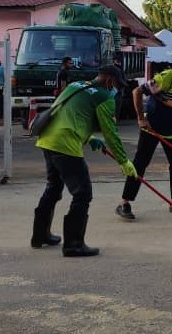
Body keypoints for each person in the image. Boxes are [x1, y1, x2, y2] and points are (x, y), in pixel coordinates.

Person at [31, 65, 137, 257]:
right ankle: (73, 245)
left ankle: (40, 236)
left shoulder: (75, 86)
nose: (116, 91)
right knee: (82, 194)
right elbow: (110, 132)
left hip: (47, 139)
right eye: (117, 86)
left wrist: (89, 138)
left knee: (53, 187)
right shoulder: (105, 97)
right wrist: (123, 161)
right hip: (66, 144)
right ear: (109, 81)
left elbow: (67, 113)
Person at [116, 53, 172, 220]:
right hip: (152, 127)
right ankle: (124, 203)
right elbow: (137, 91)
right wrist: (141, 119)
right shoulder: (167, 77)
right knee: (140, 164)